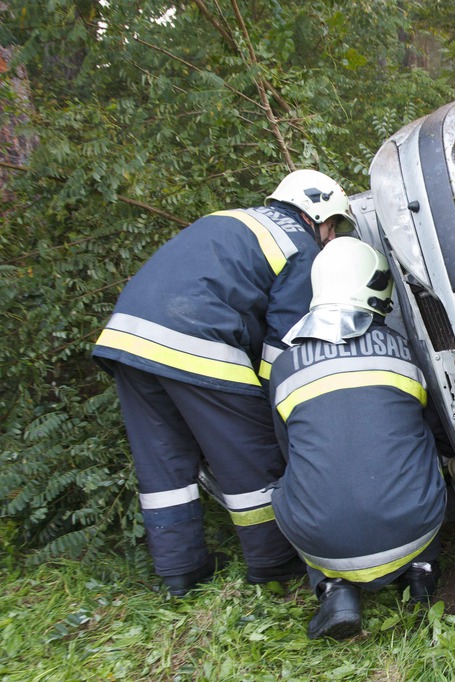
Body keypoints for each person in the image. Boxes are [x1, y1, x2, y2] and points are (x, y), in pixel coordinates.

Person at [92, 169, 353, 596]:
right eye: (333, 226)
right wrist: (279, 410)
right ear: (320, 214)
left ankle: (180, 571)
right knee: (250, 457)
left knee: (163, 461)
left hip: (128, 338)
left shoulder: (230, 219)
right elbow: (283, 345)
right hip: (195, 339)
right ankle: (274, 563)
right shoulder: (302, 247)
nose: (331, 236)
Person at [268, 237, 448, 640]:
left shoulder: (283, 367)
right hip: (413, 527)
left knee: (294, 482)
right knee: (423, 455)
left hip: (322, 542)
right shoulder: (403, 352)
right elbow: (434, 433)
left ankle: (335, 591)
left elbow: (289, 452)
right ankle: (421, 572)